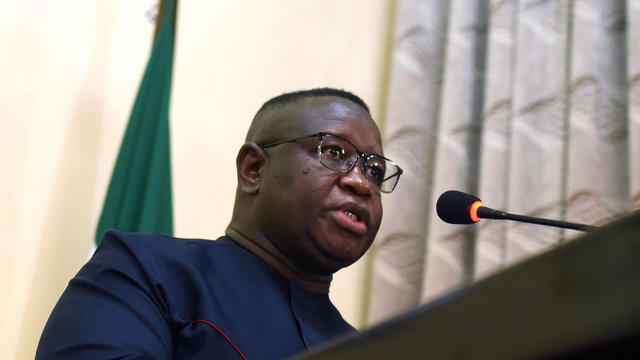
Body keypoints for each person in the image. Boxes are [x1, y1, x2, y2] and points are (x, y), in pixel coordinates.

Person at [36, 88, 403, 359]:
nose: (360, 182)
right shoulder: (144, 271)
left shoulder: (362, 350)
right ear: (253, 169)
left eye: (375, 171)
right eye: (333, 151)